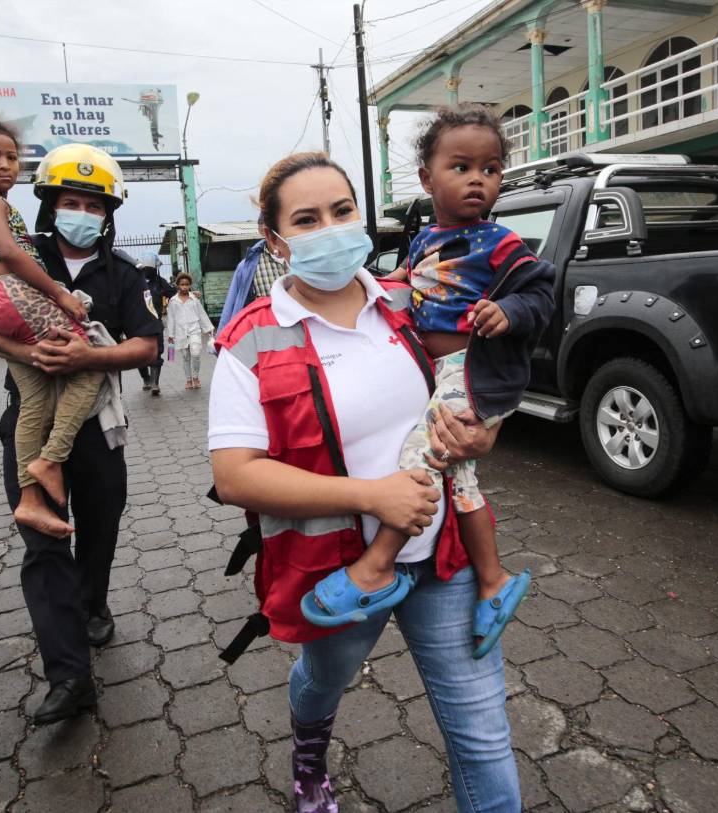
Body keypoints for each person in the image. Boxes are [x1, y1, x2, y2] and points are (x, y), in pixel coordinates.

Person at [210, 152, 522, 812]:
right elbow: (235, 475)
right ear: (274, 240)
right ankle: (309, 751)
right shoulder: (251, 338)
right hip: (342, 571)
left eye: (342, 210)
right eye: (307, 219)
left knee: (483, 738)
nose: (330, 228)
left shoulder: (413, 301)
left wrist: (485, 429)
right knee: (324, 682)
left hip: (444, 556)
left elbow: (474, 379)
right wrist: (371, 495)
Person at [301, 105, 556, 659]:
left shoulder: (501, 242)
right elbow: (407, 283)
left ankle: (376, 565)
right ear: (426, 178)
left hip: (472, 369)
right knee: (461, 481)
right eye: (461, 167)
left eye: (489, 170)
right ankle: (492, 582)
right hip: (435, 370)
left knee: (423, 453)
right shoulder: (423, 241)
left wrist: (510, 311)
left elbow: (542, 292)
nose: (477, 180)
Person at [0, 143, 161, 726]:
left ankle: (94, 601)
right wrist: (27, 353)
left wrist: (88, 357)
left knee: (99, 525)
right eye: (70, 202)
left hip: (98, 428)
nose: (82, 213)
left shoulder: (125, 273)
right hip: (28, 421)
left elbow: (148, 345)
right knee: (44, 547)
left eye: (93, 206)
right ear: (49, 207)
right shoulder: (19, 257)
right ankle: (69, 675)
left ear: (109, 215)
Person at [0, 101, 100, 538]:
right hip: (12, 293)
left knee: (34, 402)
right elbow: (12, 253)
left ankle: (30, 498)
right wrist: (58, 293)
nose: (5, 166)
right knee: (89, 366)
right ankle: (52, 460)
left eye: (12, 157)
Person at [216, 219, 288, 334]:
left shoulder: (301, 259)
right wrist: (223, 335)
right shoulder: (248, 266)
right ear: (263, 231)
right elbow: (233, 304)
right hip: (267, 330)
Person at [165, 272, 214, 389]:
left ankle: (196, 377)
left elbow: (201, 314)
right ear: (177, 285)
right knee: (186, 356)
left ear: (190, 285)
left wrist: (209, 329)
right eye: (182, 284)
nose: (184, 287)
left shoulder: (194, 299)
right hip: (180, 332)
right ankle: (188, 380)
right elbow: (170, 318)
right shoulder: (173, 301)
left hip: (194, 330)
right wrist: (170, 334)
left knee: (196, 352)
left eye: (187, 284)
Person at [136, 252, 175, 396]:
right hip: (137, 324)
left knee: (157, 352)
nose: (148, 271)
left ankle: (155, 383)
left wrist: (188, 295)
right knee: (139, 355)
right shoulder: (135, 282)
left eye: (150, 269)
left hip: (155, 324)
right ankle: (146, 379)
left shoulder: (160, 282)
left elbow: (173, 294)